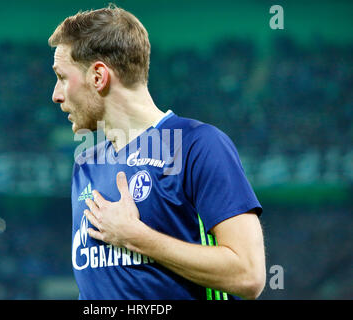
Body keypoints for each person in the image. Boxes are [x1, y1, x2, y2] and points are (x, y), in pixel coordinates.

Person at [49, 5, 266, 300]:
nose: (56, 95)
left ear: (98, 76)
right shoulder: (86, 164)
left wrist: (137, 238)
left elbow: (248, 274)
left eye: (62, 77)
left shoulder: (198, 145)